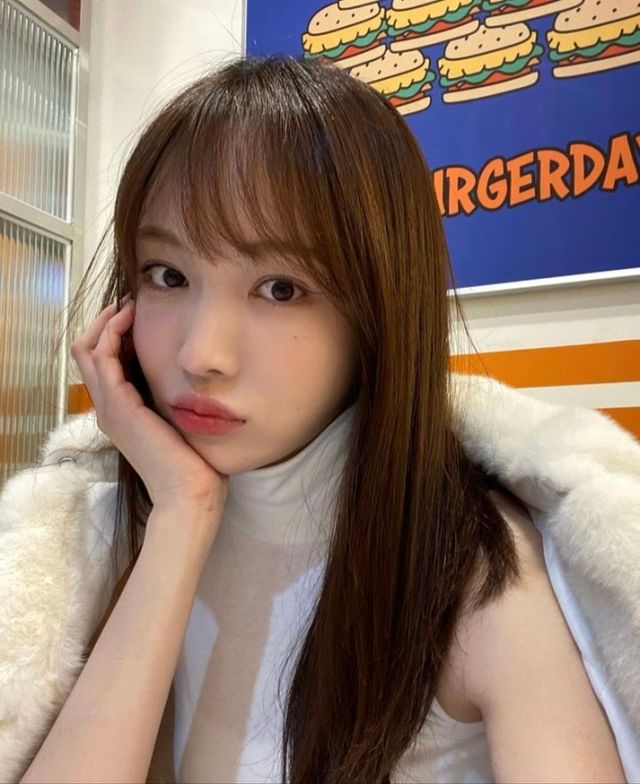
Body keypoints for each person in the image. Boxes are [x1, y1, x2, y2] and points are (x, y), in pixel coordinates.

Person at [0, 56, 637, 784]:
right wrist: (182, 515)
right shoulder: (94, 532)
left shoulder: (471, 567)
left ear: (378, 311)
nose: (202, 354)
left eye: (280, 288)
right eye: (168, 275)